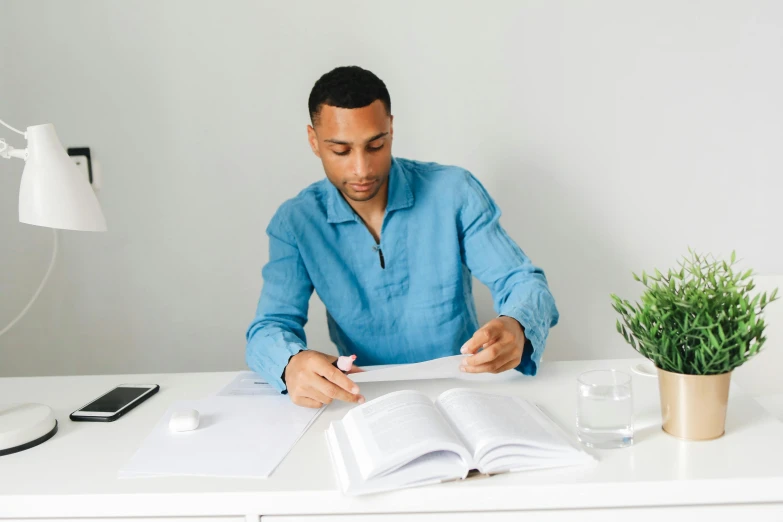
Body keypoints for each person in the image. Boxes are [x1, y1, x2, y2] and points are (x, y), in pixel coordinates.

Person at [246, 66, 559, 408]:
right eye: (341, 151)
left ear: (391, 129)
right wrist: (291, 363)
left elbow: (522, 282)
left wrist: (516, 323)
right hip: (368, 402)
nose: (362, 169)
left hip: (465, 393)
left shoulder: (454, 192)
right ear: (313, 140)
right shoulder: (296, 222)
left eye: (375, 145)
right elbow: (268, 328)